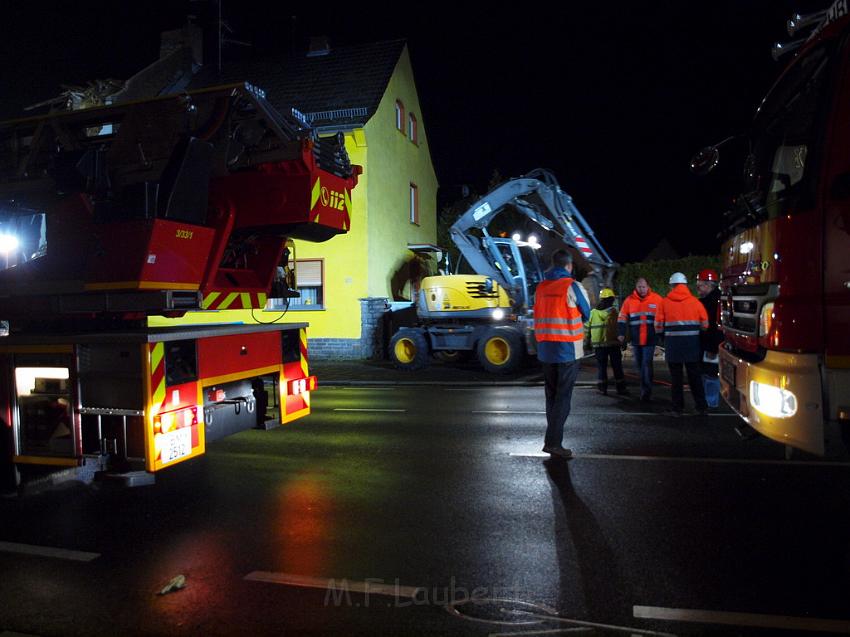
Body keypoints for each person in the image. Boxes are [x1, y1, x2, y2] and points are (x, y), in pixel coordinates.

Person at [533, 249, 590, 459]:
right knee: (563, 398)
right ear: (568, 266)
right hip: (567, 350)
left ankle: (553, 439)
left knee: (552, 397)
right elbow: (587, 312)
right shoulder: (572, 286)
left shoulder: (540, 287)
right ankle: (553, 442)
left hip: (545, 350)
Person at [655, 272, 709, 417]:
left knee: (676, 379)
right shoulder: (695, 302)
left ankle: (677, 409)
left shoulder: (664, 302)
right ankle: (701, 407)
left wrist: (664, 337)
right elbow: (705, 325)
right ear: (685, 285)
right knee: (695, 378)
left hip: (673, 346)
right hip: (692, 345)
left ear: (672, 286)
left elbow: (658, 326)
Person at [617, 277, 663, 403]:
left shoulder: (657, 299)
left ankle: (646, 392)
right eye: (639, 287)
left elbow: (663, 317)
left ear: (648, 287)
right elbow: (622, 317)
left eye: (644, 287)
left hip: (650, 339)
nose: (642, 289)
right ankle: (645, 389)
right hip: (636, 339)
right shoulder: (629, 300)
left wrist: (662, 335)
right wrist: (621, 333)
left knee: (646, 365)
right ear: (636, 287)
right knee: (639, 366)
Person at [586, 288, 627, 396]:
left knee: (601, 367)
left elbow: (586, 329)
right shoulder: (615, 313)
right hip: (613, 344)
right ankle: (621, 388)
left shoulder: (593, 313)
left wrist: (586, 343)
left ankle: (602, 388)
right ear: (612, 300)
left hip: (599, 345)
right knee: (617, 367)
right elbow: (621, 328)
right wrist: (624, 341)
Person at [696, 269, 723, 408]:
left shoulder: (714, 303)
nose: (697, 288)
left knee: (711, 374)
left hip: (711, 345)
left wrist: (713, 348)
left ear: (709, 285)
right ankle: (708, 402)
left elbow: (716, 327)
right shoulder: (711, 300)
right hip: (707, 344)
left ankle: (711, 403)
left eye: (700, 285)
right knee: (706, 372)